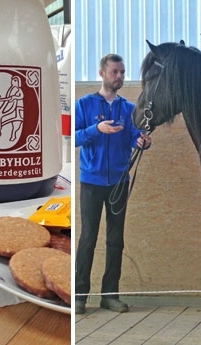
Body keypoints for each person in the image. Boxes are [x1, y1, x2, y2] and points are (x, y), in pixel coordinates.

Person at [74, 54, 151, 315]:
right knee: (87, 238)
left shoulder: (128, 109)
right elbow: (71, 138)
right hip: (91, 183)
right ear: (102, 73)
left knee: (115, 239)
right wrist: (97, 129)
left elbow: (132, 137)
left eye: (122, 72)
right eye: (115, 72)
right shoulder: (83, 105)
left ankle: (110, 295)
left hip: (119, 182)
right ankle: (79, 295)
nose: (119, 76)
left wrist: (141, 141)